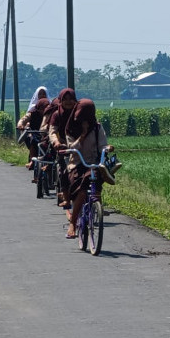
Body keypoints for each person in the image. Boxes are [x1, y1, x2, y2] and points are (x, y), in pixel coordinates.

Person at [63, 98, 115, 239]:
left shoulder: (98, 127)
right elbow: (71, 148)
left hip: (94, 164)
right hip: (78, 164)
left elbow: (102, 145)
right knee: (81, 191)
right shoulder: (71, 128)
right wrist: (83, 135)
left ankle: (96, 207)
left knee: (96, 186)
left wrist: (107, 148)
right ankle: (73, 223)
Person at [48, 88, 78, 208]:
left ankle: (97, 200)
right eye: (65, 99)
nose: (68, 102)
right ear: (60, 101)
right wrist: (55, 141)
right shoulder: (57, 114)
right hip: (64, 147)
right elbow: (52, 131)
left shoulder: (79, 112)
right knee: (64, 172)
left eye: (71, 99)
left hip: (81, 146)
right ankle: (66, 198)